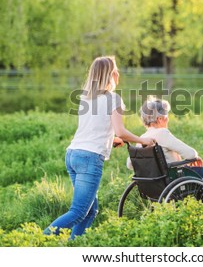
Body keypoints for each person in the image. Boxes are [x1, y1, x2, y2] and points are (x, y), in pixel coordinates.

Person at [44, 56, 154, 239]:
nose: (118, 73)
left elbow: (93, 129)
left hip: (73, 154)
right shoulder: (114, 99)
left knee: (90, 210)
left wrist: (112, 140)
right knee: (79, 211)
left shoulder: (85, 98)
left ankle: (74, 246)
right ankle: (37, 241)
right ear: (111, 75)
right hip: (89, 158)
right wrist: (144, 141)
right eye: (116, 70)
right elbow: (121, 130)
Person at [127, 97, 203, 184]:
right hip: (174, 179)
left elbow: (130, 164)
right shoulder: (162, 133)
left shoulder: (142, 138)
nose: (167, 120)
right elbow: (191, 154)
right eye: (166, 117)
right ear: (159, 119)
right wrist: (196, 157)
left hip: (154, 183)